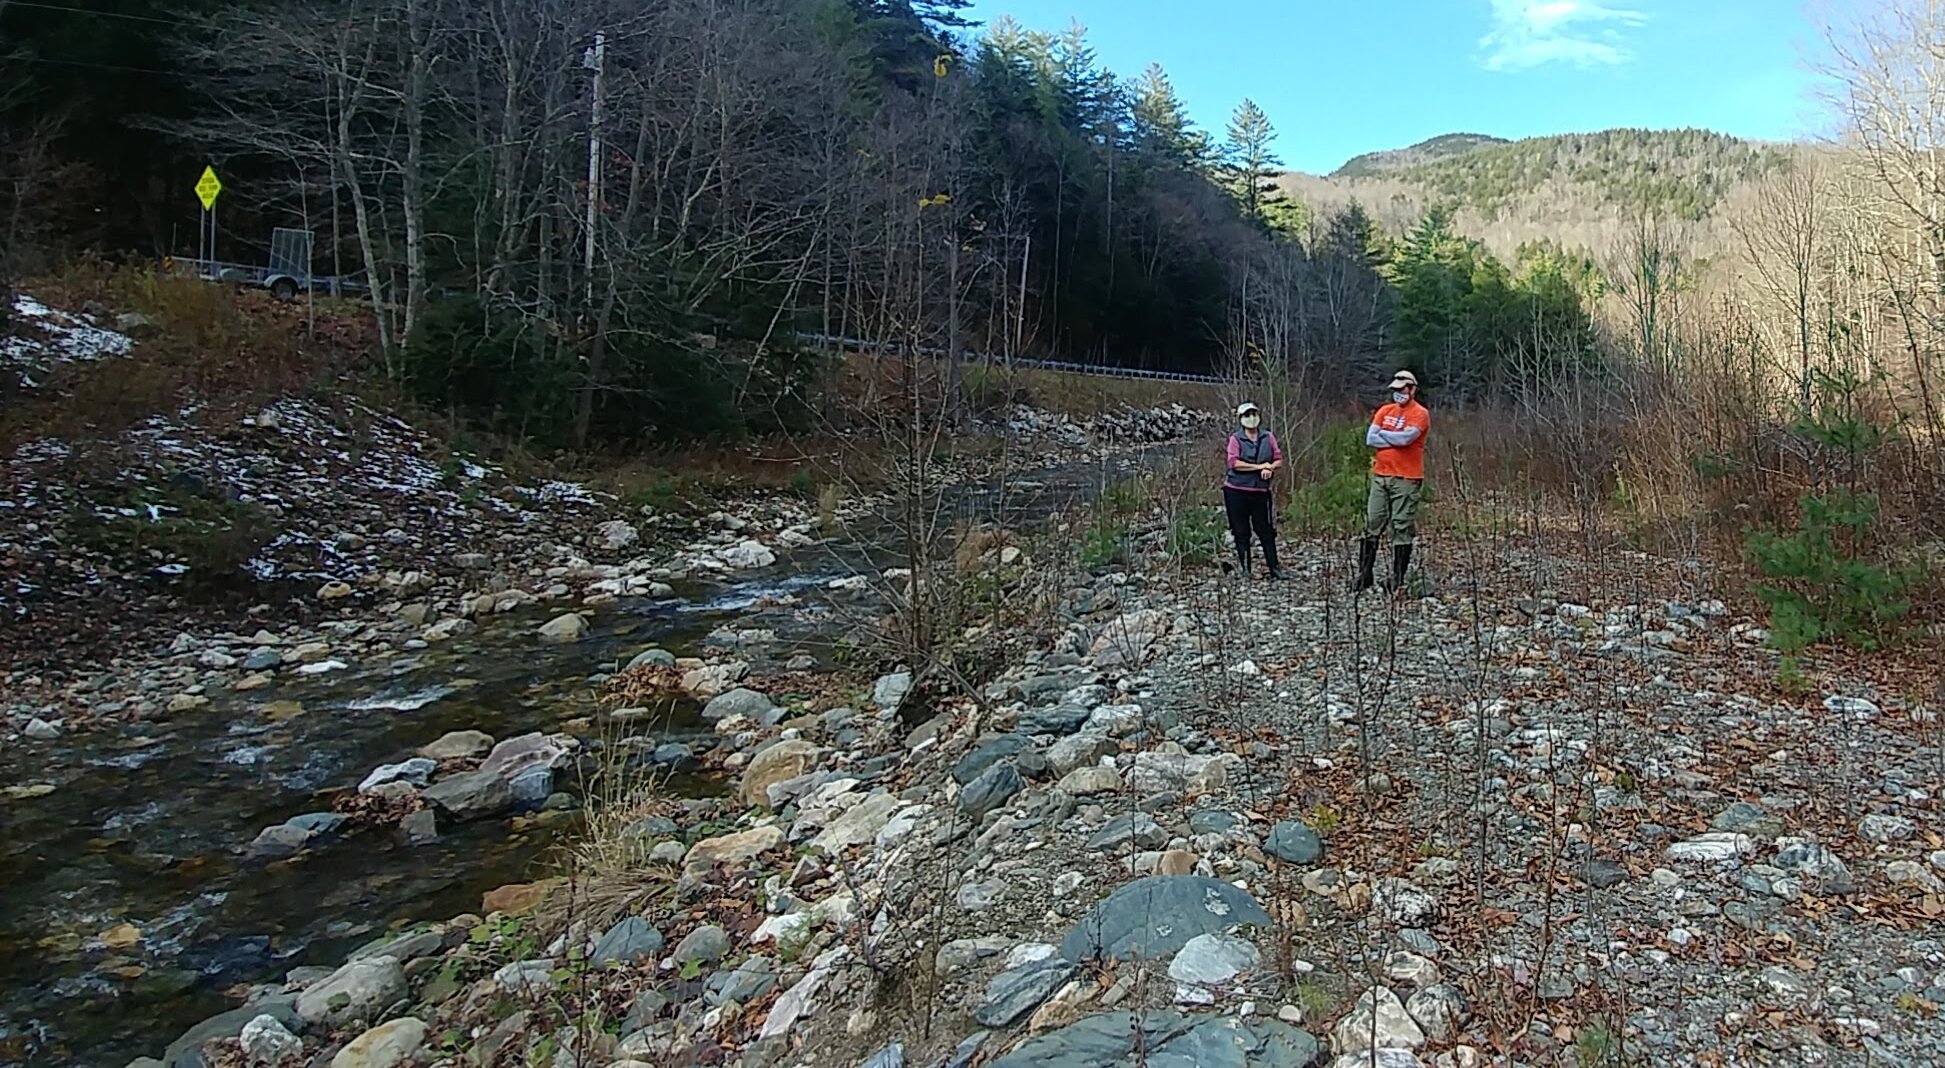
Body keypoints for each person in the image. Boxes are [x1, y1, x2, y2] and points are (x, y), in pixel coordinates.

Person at [1353, 370, 1430, 594]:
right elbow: (1370, 438)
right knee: (1372, 522)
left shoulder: (1420, 413)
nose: (1398, 393)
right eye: (1395, 390)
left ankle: (1397, 577)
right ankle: (1364, 574)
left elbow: (1407, 439)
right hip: (1381, 475)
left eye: (1402, 389)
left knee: (1401, 525)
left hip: (1407, 478)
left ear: (1412, 389)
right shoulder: (1384, 411)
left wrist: (1385, 436)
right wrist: (1393, 438)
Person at [1223, 401, 1284, 580]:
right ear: (1241, 419)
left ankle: (1274, 568)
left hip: (1260, 492)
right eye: (1247, 415)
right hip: (1236, 490)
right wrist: (1259, 467)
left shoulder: (1268, 437)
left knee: (1265, 530)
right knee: (1241, 530)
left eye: (1253, 414)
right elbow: (1234, 463)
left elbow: (1278, 458)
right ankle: (1246, 569)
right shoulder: (1235, 439)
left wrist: (1270, 468)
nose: (1251, 418)